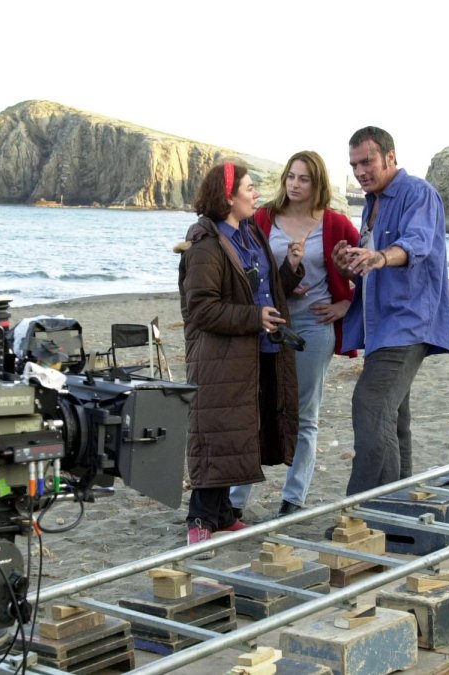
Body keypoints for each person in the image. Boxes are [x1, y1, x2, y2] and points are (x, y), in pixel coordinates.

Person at [176, 159, 302, 556]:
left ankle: (223, 516)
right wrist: (253, 317)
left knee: (238, 431)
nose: (255, 193)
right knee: (216, 432)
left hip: (253, 350)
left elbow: (259, 290)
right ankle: (199, 520)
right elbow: (200, 309)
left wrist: (291, 271)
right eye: (248, 188)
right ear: (227, 197)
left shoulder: (248, 233)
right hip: (219, 356)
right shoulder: (207, 246)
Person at [229, 151, 359, 518]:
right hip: (268, 324)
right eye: (291, 177)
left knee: (304, 412)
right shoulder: (261, 218)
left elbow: (366, 270)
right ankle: (236, 499)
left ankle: (293, 499)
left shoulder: (335, 223)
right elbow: (242, 270)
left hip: (314, 328)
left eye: (304, 179)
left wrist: (347, 305)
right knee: (256, 407)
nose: (295, 185)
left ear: (317, 184)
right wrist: (281, 282)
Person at [332, 127, 449, 495]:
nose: (360, 171)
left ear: (390, 156)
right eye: (354, 165)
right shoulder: (372, 204)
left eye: (367, 161)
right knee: (394, 419)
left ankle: (363, 513)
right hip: (381, 328)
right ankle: (400, 508)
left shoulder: (418, 193)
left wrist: (381, 256)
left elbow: (416, 245)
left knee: (369, 406)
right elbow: (367, 273)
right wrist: (345, 264)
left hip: (408, 324)